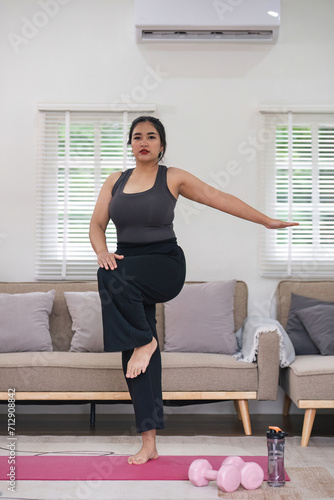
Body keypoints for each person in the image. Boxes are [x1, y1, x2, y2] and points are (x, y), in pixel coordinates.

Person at [89, 116, 298, 465]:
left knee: (113, 277)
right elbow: (97, 224)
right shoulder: (115, 181)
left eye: (151, 136)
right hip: (127, 269)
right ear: (130, 144)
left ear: (161, 144)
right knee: (136, 358)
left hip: (164, 265)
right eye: (137, 136)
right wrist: (102, 250)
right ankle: (149, 440)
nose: (144, 141)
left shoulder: (172, 177)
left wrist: (265, 221)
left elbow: (218, 197)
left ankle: (143, 339)